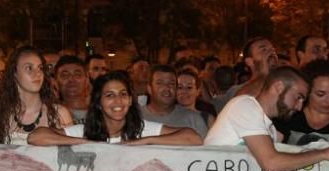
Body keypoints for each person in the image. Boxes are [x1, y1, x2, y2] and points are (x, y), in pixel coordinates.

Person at [204, 66, 329, 171]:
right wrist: (324, 154)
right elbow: (271, 163)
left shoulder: (271, 130)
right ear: (279, 87)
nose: (300, 107)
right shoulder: (245, 105)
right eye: (298, 97)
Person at [27, 71, 200, 145]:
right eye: (109, 95)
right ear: (98, 103)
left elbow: (193, 138)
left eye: (123, 94)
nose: (118, 101)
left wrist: (146, 141)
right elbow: (36, 137)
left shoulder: (144, 129)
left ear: (131, 100)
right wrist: (84, 144)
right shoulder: (84, 131)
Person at [0, 47, 72, 145]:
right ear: (14, 73)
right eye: (29, 68)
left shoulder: (60, 114)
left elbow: (75, 155)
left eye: (40, 68)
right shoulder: (3, 115)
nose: (37, 73)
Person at [141, 64, 208, 139]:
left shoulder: (193, 119)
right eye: (160, 83)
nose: (166, 87)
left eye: (171, 83)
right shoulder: (135, 117)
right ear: (149, 89)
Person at [54, 55, 90, 123]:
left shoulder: (102, 113)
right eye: (65, 75)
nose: (71, 79)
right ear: (56, 82)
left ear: (87, 80)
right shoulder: (51, 114)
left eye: (77, 74)